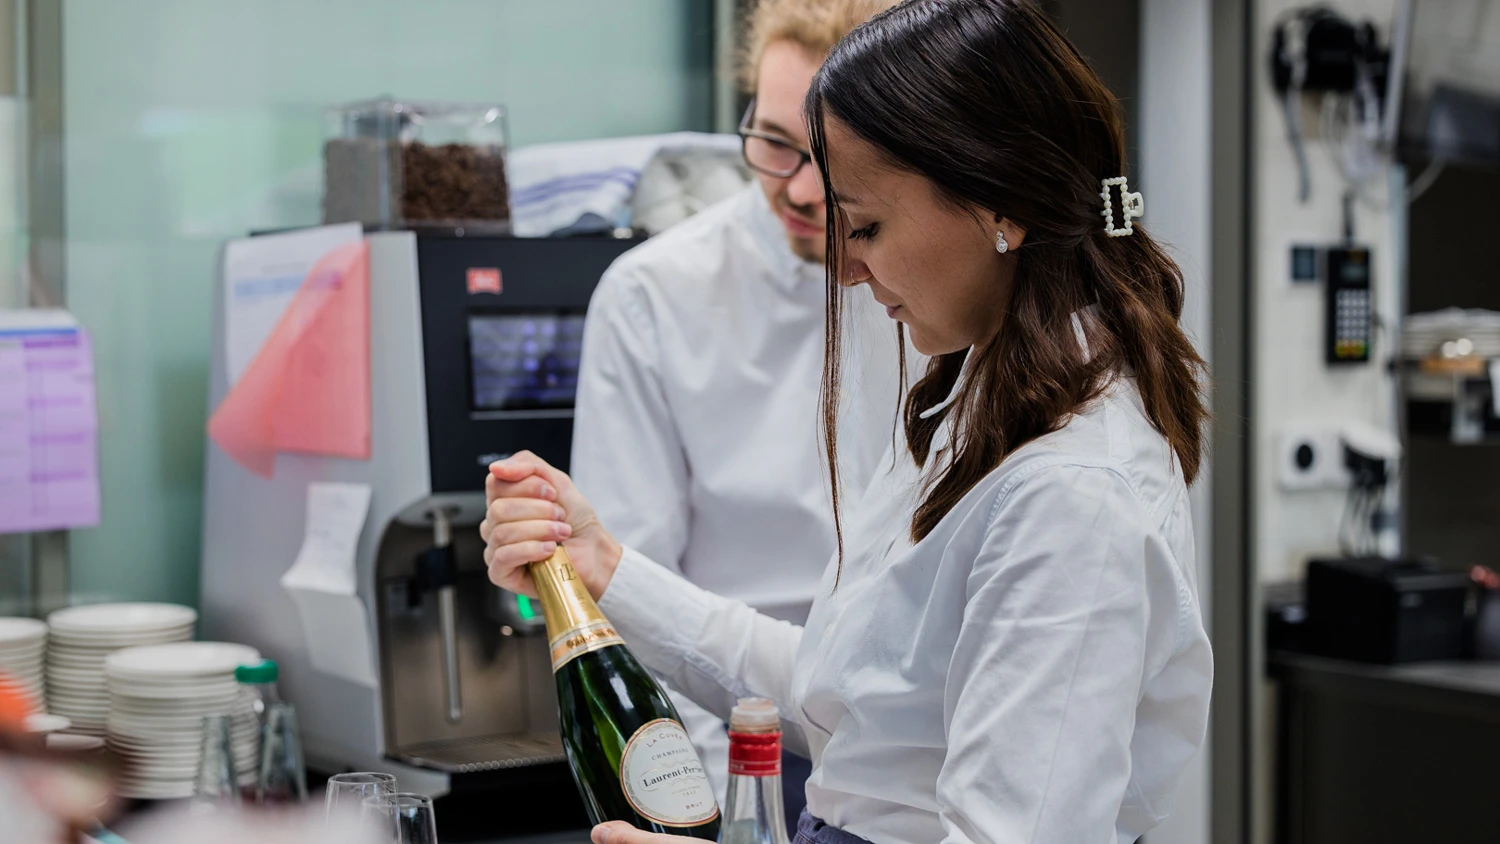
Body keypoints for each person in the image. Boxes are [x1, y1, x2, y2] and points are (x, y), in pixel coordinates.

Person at [483, 0, 1213, 842]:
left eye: (864, 224)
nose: (847, 268)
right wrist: (605, 564)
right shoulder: (983, 395)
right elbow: (853, 698)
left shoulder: (1073, 495)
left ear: (1000, 206)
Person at [567, 0, 903, 819]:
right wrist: (708, 809)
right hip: (736, 745)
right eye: (774, 142)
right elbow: (635, 599)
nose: (800, 190)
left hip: (915, 749)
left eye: (834, 156)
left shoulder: (953, 290)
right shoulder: (654, 297)